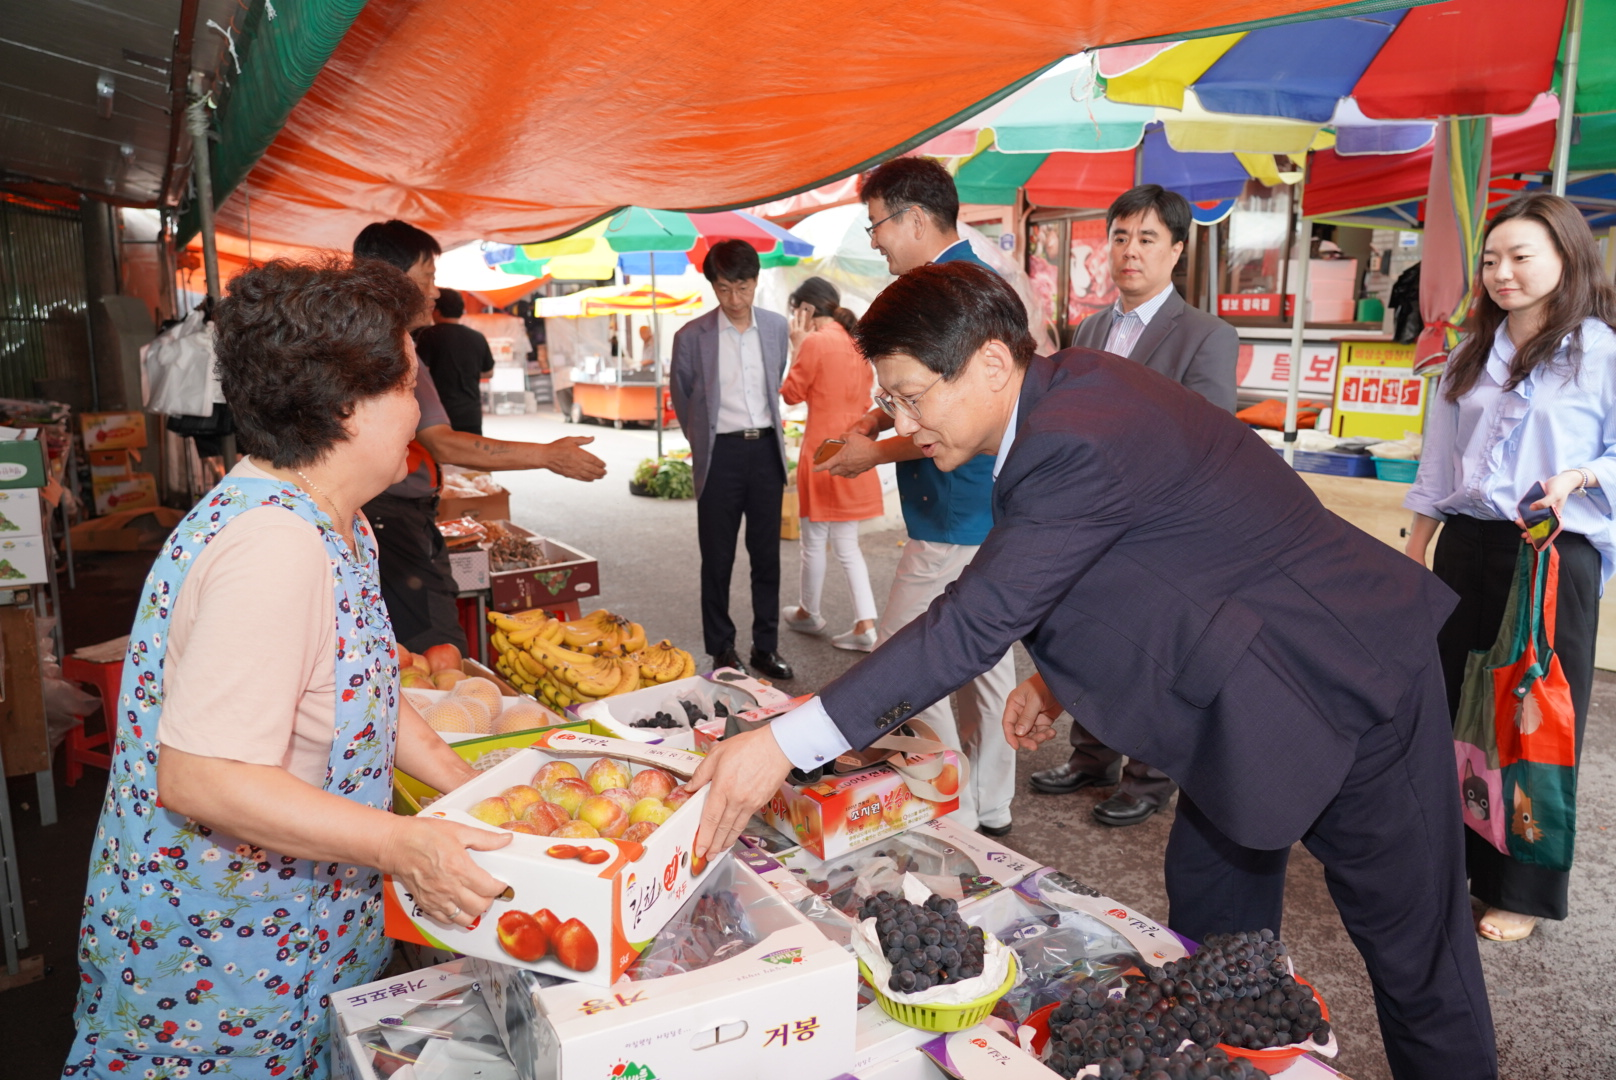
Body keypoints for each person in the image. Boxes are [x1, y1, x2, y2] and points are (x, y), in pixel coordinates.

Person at [689, 261, 1498, 1080]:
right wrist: (1053, 680)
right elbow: (1141, 559)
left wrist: (787, 742)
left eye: (907, 395)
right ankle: (1224, 1061)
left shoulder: (1072, 432)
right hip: (1233, 696)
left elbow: (971, 622)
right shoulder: (1061, 400)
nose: (899, 421)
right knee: (1214, 932)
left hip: (1344, 673)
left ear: (992, 364)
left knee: (1414, 953)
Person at [64, 258, 515, 1080]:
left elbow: (365, 692)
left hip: (298, 945)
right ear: (347, 405)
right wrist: (405, 845)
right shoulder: (272, 548)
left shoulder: (335, 523)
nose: (419, 410)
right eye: (409, 387)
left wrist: (474, 787)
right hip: (219, 981)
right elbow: (203, 779)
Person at [1404, 191, 1616, 943]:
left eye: (1521, 257)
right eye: (1491, 259)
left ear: (1566, 258)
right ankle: (1446, 861)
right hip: (1466, 545)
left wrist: (1583, 478)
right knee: (1447, 706)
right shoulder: (1468, 355)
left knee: (1531, 721)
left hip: (1553, 552)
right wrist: (1414, 547)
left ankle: (1518, 888)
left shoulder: (1601, 351)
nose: (1502, 272)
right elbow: (1436, 464)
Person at [816, 155, 1017, 836]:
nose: (873, 239)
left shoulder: (959, 289)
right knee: (986, 658)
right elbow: (922, 400)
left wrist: (873, 449)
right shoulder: (957, 280)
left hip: (956, 509)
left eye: (876, 224)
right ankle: (989, 800)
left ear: (914, 217)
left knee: (910, 657)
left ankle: (946, 797)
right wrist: (877, 418)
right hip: (975, 509)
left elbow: (952, 419)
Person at [1031, 184, 1239, 828]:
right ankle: (1093, 756)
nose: (1130, 251)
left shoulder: (1206, 334)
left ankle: (1151, 776)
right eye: (1120, 236)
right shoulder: (1091, 327)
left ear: (1176, 249)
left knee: (1154, 647)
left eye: (1147, 238)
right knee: (1094, 635)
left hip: (1162, 521)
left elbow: (1206, 433)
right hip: (1090, 514)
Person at [352, 221, 606, 653]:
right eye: (428, 277)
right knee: (439, 649)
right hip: (390, 518)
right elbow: (443, 442)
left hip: (384, 516)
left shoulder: (373, 342)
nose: (435, 291)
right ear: (391, 281)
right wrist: (547, 455)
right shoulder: (388, 351)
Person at [669, 239, 794, 680]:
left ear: (756, 282)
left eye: (743, 288)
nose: (735, 299)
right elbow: (683, 400)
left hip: (764, 451)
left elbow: (774, 379)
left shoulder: (777, 328)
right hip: (719, 455)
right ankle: (722, 649)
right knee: (717, 558)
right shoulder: (691, 337)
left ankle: (766, 647)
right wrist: (705, 442)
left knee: (767, 557)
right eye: (724, 289)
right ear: (713, 287)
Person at [779, 277, 884, 651]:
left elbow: (790, 394)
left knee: (814, 542)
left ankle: (810, 612)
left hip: (821, 452)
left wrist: (796, 347)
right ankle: (866, 625)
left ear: (805, 309)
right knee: (846, 544)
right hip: (852, 447)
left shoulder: (815, 343)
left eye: (796, 311)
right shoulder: (858, 344)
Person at [415, 287, 496, 435]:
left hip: (440, 414)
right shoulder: (477, 337)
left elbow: (420, 372)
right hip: (471, 414)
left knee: (443, 457)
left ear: (437, 311)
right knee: (471, 455)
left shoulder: (430, 335)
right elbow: (488, 372)